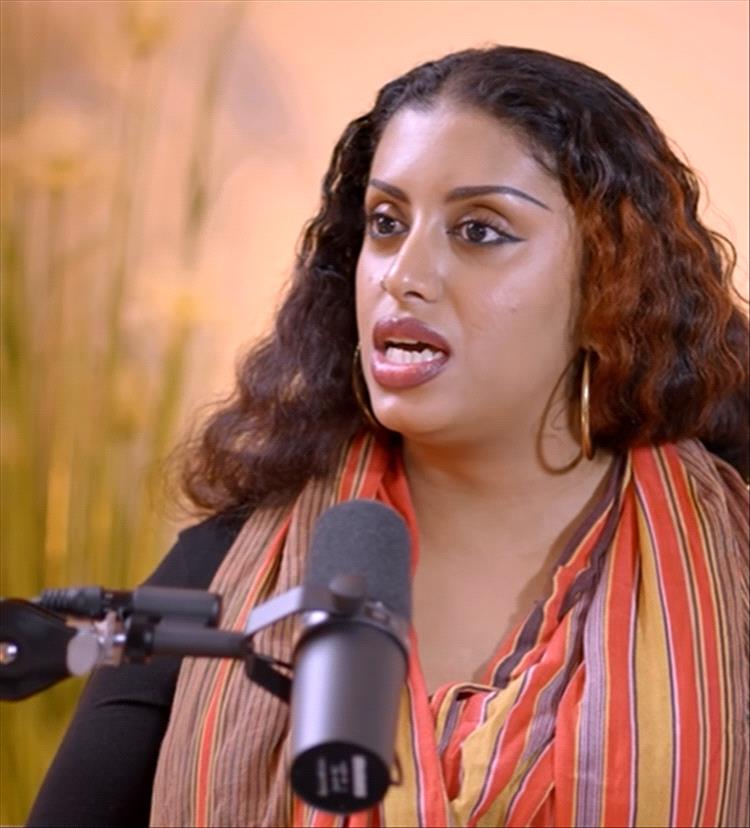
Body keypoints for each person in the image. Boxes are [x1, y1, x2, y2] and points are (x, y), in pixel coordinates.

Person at [28, 45, 748, 828]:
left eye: (479, 230)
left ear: (610, 279)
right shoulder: (229, 571)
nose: (402, 273)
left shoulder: (731, 562)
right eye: (386, 223)